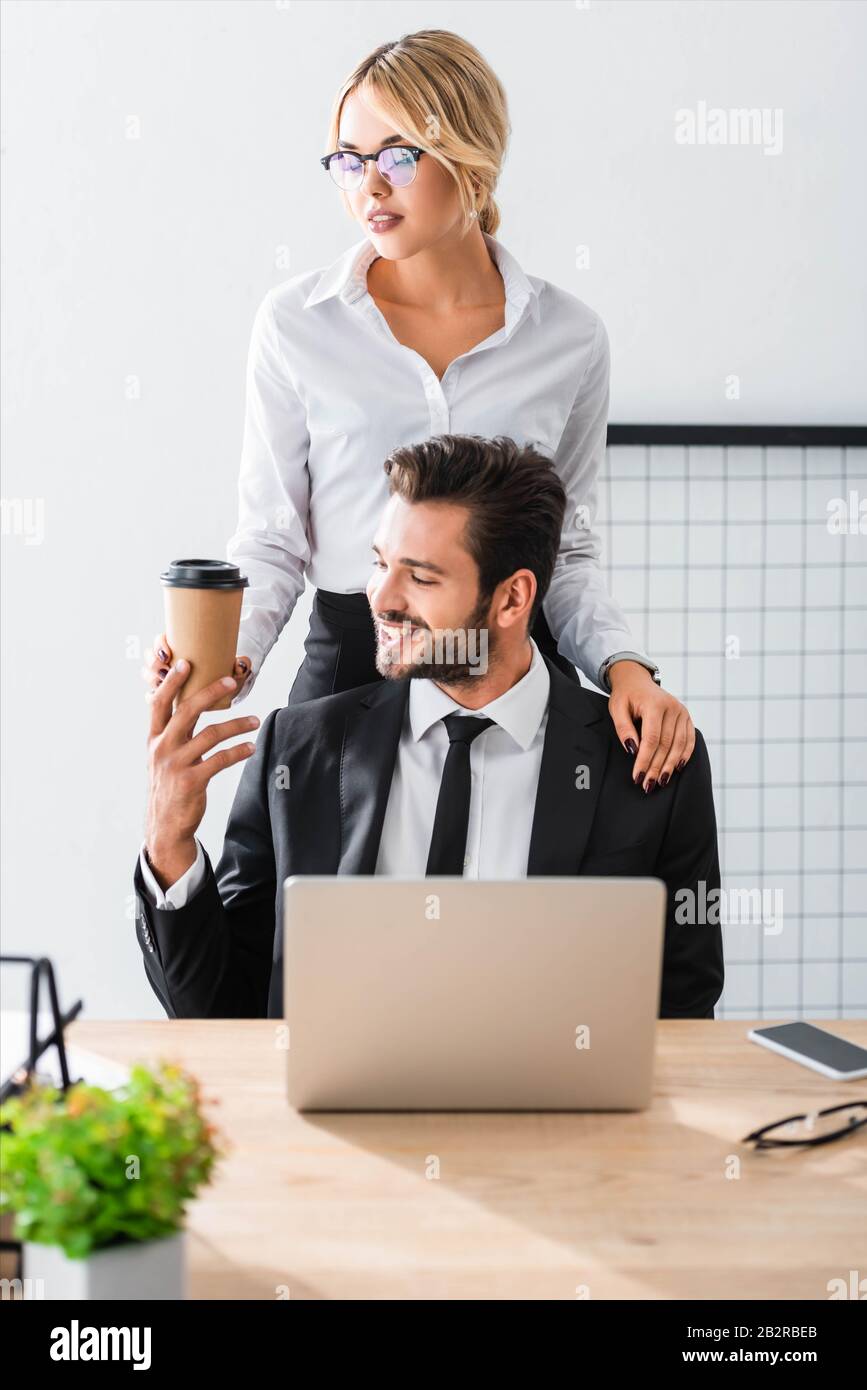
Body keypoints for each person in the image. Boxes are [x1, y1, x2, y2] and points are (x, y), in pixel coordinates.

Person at [144, 28, 695, 793]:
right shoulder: (296, 323)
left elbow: (563, 549)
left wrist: (622, 665)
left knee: (515, 904)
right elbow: (272, 539)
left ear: (471, 156)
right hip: (352, 660)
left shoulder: (569, 338)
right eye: (348, 160)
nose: (367, 187)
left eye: (397, 157)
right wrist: (226, 666)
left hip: (509, 664)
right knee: (313, 907)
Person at [135, 436, 724, 1021]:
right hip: (339, 1111)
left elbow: (684, 1008)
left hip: (559, 1112)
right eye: (379, 562)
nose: (380, 599)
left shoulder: (646, 761)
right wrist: (170, 842)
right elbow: (223, 1009)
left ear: (513, 598)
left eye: (419, 578)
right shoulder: (298, 749)